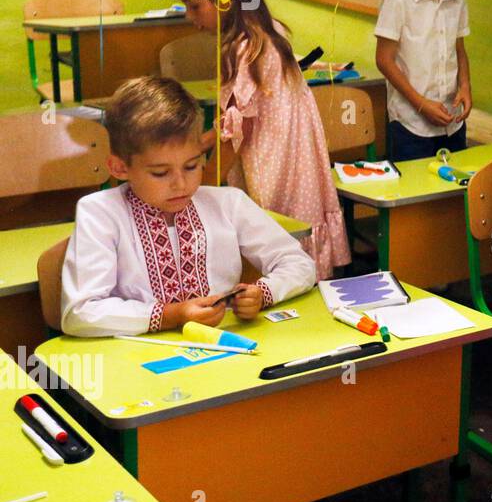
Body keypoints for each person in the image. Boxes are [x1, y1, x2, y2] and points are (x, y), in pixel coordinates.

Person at [61, 77, 317, 337]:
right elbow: (79, 313)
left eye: (192, 166)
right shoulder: (100, 213)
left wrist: (263, 293)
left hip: (228, 351)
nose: (181, 184)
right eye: (160, 173)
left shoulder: (228, 203)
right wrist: (171, 315)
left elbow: (300, 264)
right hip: (137, 361)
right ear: (120, 168)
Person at [178, 0, 349, 278]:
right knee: (297, 233)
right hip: (295, 158)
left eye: (194, 6)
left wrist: (199, 194)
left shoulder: (243, 50)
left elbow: (234, 135)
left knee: (272, 240)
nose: (189, 16)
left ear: (225, 1)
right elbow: (240, 115)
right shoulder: (271, 32)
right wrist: (202, 141)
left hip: (270, 163)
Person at [375, 0, 472, 162]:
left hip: (452, 121)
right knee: (413, 197)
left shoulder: (457, 0)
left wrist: (465, 86)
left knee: (450, 195)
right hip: (411, 125)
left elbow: (459, 51)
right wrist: (419, 103)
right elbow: (384, 60)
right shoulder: (398, 0)